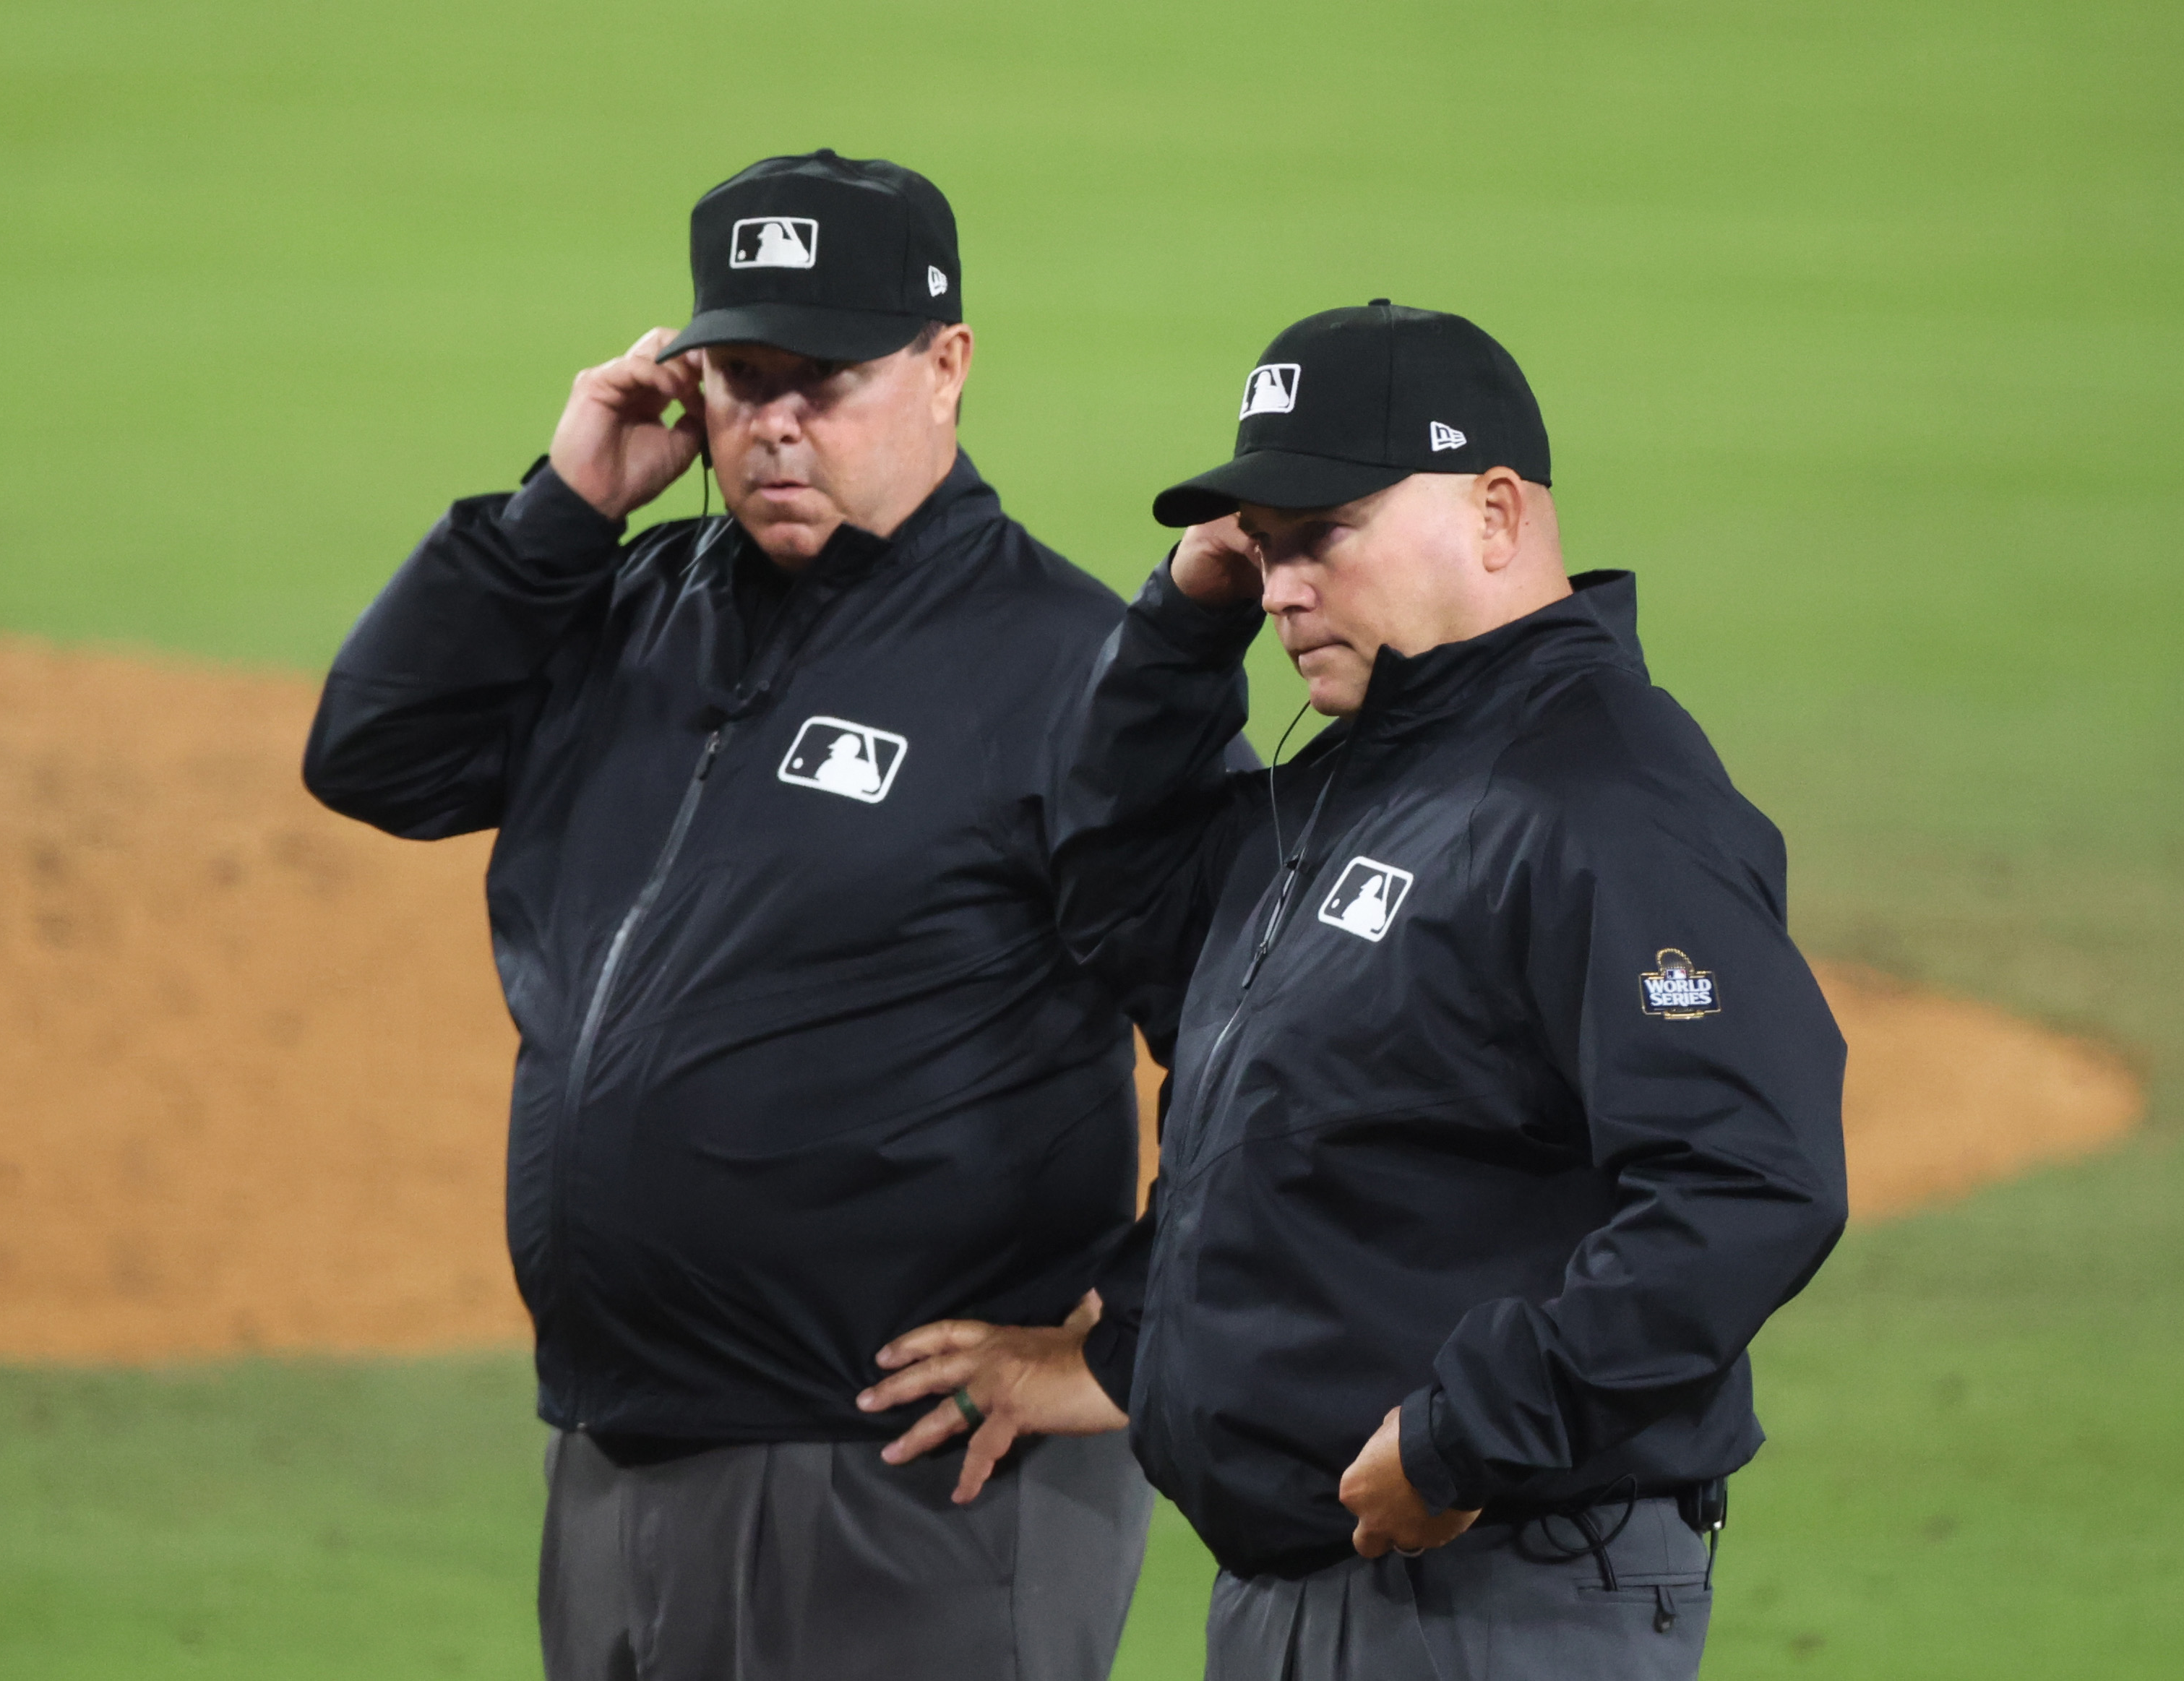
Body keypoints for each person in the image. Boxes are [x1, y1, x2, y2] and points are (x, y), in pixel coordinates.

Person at [302, 150, 1199, 1681]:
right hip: (618, 1450)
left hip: (908, 1486)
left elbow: (1280, 1037)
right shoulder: (625, 614)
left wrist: (1121, 1338)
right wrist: (557, 510)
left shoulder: (1077, 674)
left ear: (945, 365)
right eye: (735, 376)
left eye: (824, 380)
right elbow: (376, 756)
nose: (772, 424)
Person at [856, 302, 1849, 1679]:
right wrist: (1181, 621)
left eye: (1322, 534)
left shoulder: (1601, 797)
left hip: (1491, 1580)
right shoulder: (1361, 778)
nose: (1276, 588)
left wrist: (1466, 1436)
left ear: (1496, 513)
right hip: (1313, 1587)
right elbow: (1117, 886)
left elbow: (1751, 1178)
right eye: (1260, 545)